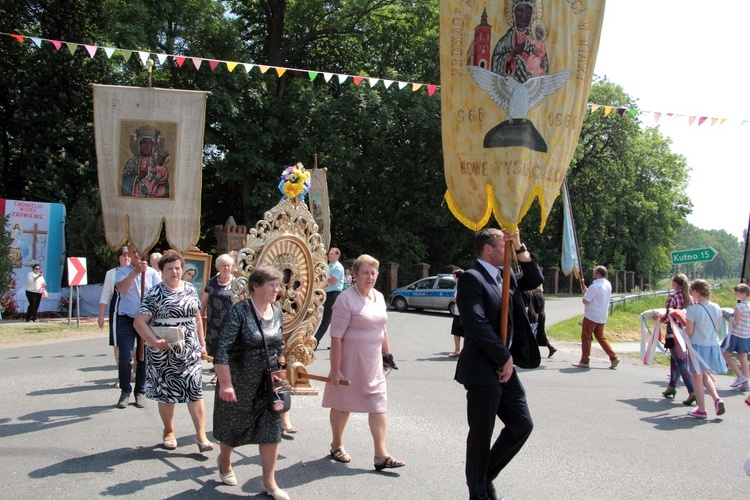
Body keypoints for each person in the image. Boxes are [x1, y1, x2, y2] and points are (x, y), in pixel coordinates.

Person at [455, 228, 542, 500]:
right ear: (488, 249)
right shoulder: (472, 278)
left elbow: (535, 278)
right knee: (481, 434)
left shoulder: (505, 278)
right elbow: (475, 323)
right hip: (482, 369)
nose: (509, 255)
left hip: (505, 368)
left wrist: (518, 245)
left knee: (521, 425)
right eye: (503, 247)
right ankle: (477, 493)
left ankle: (484, 476)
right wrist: (503, 357)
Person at [213, 265, 289, 499]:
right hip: (239, 381)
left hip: (267, 385)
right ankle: (225, 461)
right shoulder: (239, 311)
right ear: (255, 286)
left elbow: (279, 347)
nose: (276, 289)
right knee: (233, 429)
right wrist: (226, 383)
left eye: (278, 285)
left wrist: (282, 378)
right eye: (271, 285)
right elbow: (222, 349)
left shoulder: (276, 311)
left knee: (271, 430)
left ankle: (269, 482)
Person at [323, 254, 404, 472]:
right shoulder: (345, 299)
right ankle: (336, 444)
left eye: (373, 273)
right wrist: (335, 369)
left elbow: (382, 328)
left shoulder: (378, 296)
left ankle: (381, 455)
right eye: (365, 272)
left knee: (378, 405)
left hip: (373, 363)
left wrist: (387, 354)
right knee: (343, 405)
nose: (370, 277)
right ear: (355, 275)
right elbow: (336, 336)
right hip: (349, 362)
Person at [133, 250, 213, 452]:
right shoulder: (155, 293)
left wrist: (202, 344)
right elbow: (139, 322)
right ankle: (168, 430)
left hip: (189, 350)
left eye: (178, 268)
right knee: (167, 393)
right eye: (170, 268)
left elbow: (196, 319)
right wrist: (155, 342)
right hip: (164, 352)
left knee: (195, 391)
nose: (175, 272)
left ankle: (201, 435)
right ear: (162, 271)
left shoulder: (190, 289)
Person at [115, 243, 161, 409]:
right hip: (127, 319)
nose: (136, 255)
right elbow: (121, 288)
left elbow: (159, 295)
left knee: (143, 357)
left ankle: (140, 391)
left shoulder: (153, 274)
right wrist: (135, 272)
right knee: (125, 356)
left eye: (139, 252)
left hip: (145, 320)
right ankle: (125, 390)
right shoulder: (122, 271)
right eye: (133, 252)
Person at [685, 279, 728, 418]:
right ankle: (716, 398)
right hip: (712, 345)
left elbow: (690, 331)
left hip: (698, 346)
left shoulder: (693, 309)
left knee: (697, 376)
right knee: (705, 374)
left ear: (696, 292)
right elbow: (718, 325)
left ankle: (701, 408)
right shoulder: (716, 307)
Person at [491, 0, 548, 82]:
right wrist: (511, 54)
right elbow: (495, 64)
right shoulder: (505, 41)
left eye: (528, 11)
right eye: (520, 10)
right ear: (513, 13)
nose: (525, 15)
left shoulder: (536, 40)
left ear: (533, 14)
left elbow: (544, 69)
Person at [574, 266, 619, 369]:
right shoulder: (607, 284)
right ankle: (613, 357)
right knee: (600, 336)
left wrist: (585, 294)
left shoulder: (594, 286)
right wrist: (588, 292)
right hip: (602, 315)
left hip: (592, 315)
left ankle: (585, 360)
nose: (593, 274)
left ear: (598, 274)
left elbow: (586, 301)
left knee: (586, 336)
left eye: (594, 272)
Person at [201, 254, 236, 386]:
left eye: (228, 265)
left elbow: (243, 302)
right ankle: (218, 373)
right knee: (215, 349)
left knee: (227, 348)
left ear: (232, 267)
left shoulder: (237, 282)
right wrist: (199, 319)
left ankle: (224, 376)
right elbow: (203, 302)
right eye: (223, 265)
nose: (226, 267)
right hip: (214, 321)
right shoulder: (211, 282)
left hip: (231, 322)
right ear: (218, 267)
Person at [660, 274, 695, 405]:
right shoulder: (691, 298)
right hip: (687, 333)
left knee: (680, 362)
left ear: (675, 283)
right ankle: (672, 386)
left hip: (674, 334)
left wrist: (660, 318)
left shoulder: (673, 297)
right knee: (674, 360)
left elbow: (668, 316)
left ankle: (692, 391)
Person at [98, 246, 129, 387]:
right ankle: (121, 374)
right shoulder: (112, 273)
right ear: (119, 258)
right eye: (124, 255)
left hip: (135, 310)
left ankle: (134, 372)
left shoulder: (138, 272)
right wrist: (101, 315)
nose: (127, 258)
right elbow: (106, 294)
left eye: (129, 255)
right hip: (117, 310)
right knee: (118, 344)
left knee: (136, 346)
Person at [314, 247, 345, 347]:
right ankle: (338, 342)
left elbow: (333, 281)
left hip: (334, 294)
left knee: (326, 319)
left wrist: (323, 275)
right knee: (335, 320)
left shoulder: (338, 267)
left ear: (337, 255)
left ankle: (316, 341)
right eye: (329, 253)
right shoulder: (330, 265)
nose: (329, 255)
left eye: (332, 254)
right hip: (329, 293)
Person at [722, 283, 750, 391]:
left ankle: (740, 376)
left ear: (743, 294)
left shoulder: (739, 306)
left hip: (736, 334)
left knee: (725, 353)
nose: (735, 295)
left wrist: (728, 316)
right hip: (746, 335)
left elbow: (736, 322)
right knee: (743, 357)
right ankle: (746, 383)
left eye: (737, 293)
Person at [524, 285, 556, 358]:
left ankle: (550, 347)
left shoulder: (535, 295)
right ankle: (549, 347)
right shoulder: (541, 294)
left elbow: (537, 307)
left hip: (538, 315)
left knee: (540, 333)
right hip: (542, 314)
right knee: (540, 333)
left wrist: (537, 318)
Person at [449, 269, 465, 358]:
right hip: (457, 312)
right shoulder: (458, 286)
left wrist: (455, 299)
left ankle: (464, 351)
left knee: (465, 333)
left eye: (454, 277)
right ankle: (457, 350)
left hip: (463, 313)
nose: (453, 279)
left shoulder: (465, 286)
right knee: (456, 332)